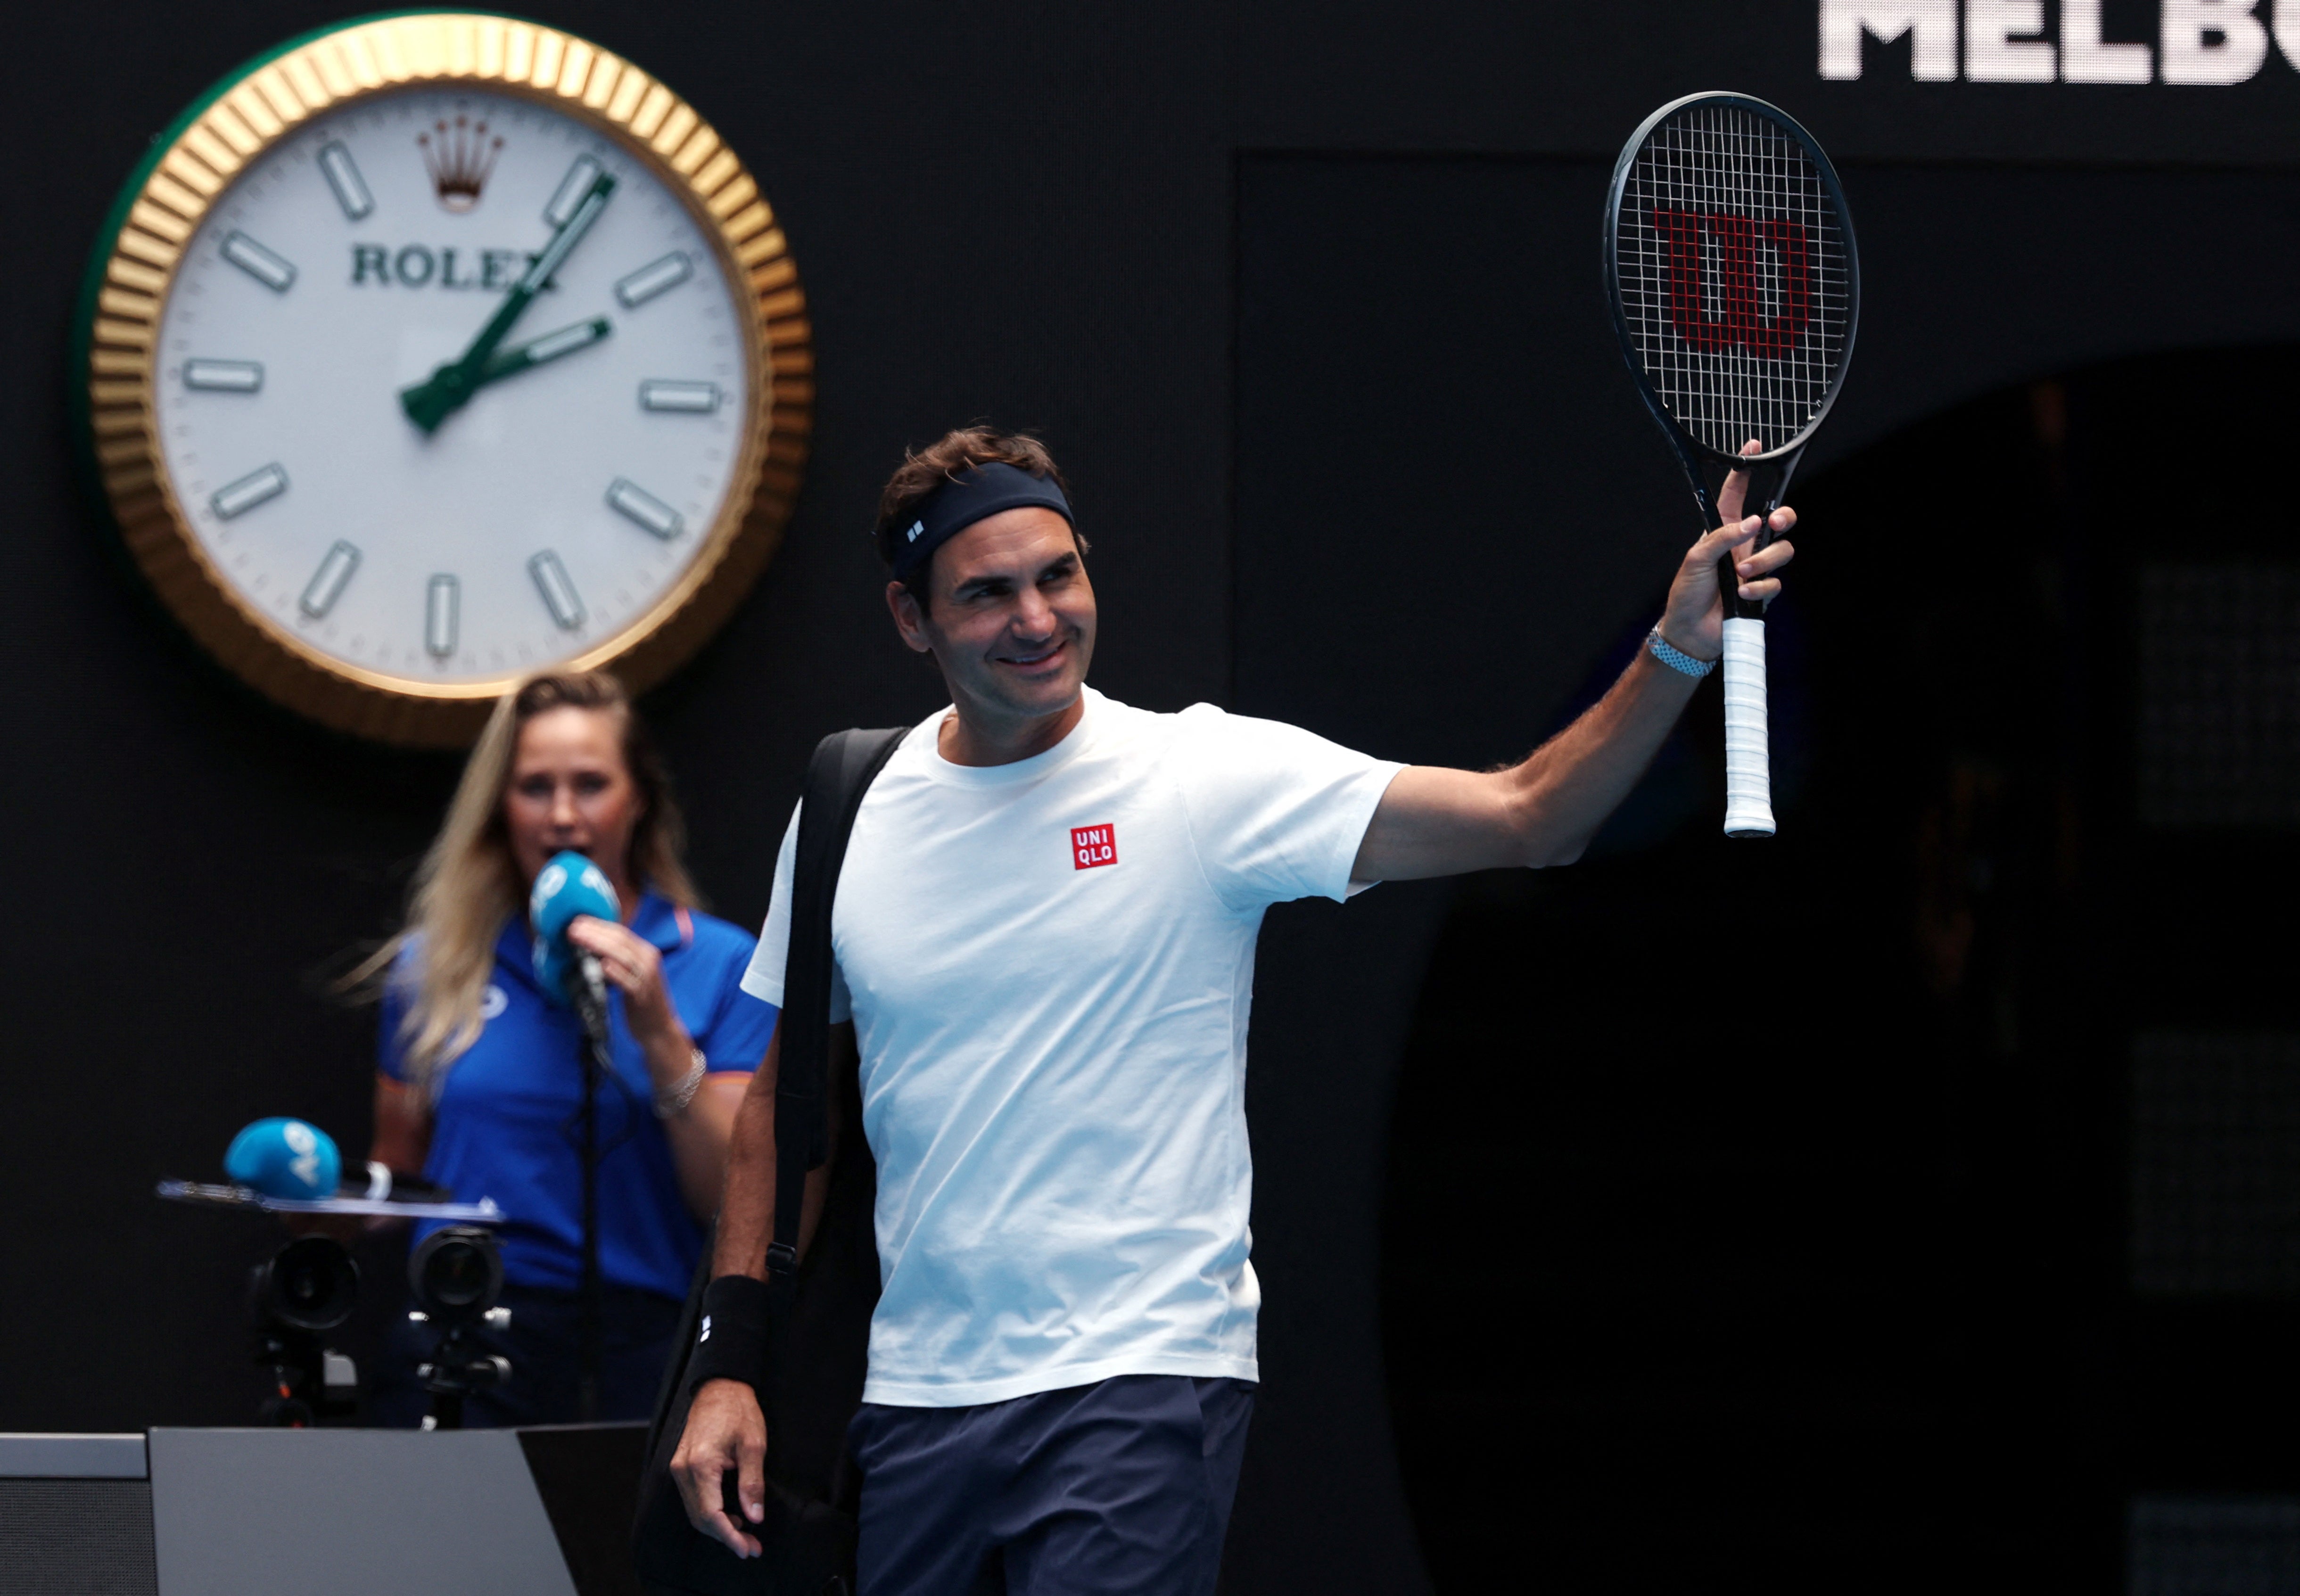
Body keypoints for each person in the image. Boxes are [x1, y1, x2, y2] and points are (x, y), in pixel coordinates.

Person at [672, 428, 1797, 1590]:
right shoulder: (847, 806)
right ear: (912, 619)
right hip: (915, 1403)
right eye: (987, 593)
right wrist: (727, 1364)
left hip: (1140, 1381)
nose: (1038, 618)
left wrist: (1676, 645)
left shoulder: (1199, 779)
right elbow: (780, 1116)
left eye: (1058, 575)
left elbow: (1532, 815)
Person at [362, 669, 777, 1426]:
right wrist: (312, 1202)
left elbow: (732, 1199)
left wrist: (660, 1034)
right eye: (534, 787)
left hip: (642, 1345)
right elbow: (397, 1170)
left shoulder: (721, 964)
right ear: (500, 805)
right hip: (465, 1329)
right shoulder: (436, 965)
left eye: (590, 784)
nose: (562, 815)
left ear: (638, 798)